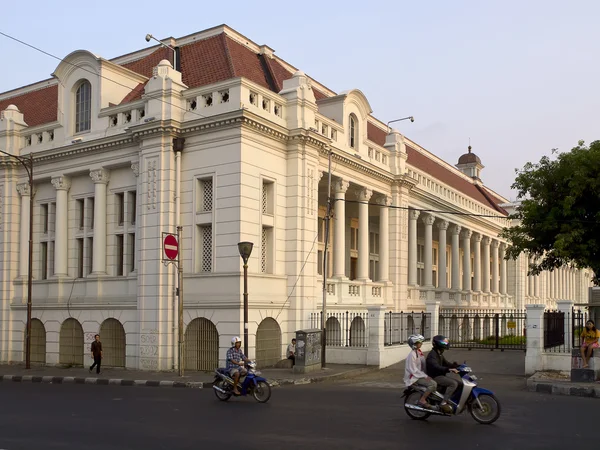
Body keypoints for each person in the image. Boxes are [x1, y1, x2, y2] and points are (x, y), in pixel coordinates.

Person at [404, 334, 437, 409]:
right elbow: (414, 370)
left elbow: (423, 365)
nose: (421, 343)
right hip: (414, 377)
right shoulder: (412, 355)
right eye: (419, 342)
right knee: (433, 384)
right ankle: (422, 400)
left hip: (419, 375)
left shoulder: (418, 352)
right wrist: (425, 376)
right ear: (414, 344)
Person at [426, 335, 460, 407]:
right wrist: (448, 369)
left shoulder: (439, 353)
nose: (444, 345)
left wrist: (457, 366)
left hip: (440, 375)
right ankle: (444, 402)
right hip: (435, 376)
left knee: (460, 384)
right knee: (453, 384)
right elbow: (436, 366)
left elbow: (446, 363)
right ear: (438, 344)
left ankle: (453, 400)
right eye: (443, 343)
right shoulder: (432, 355)